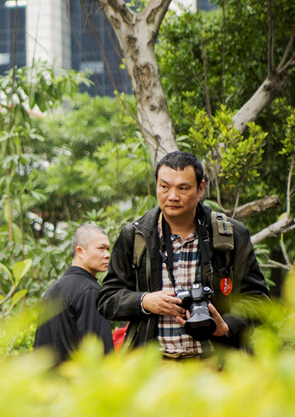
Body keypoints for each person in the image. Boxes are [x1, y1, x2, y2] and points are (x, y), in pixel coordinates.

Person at [97, 151, 269, 359]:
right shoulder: (135, 236)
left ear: (200, 188)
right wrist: (144, 301)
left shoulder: (231, 235)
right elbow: (107, 298)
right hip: (155, 368)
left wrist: (226, 326)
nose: (172, 196)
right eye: (164, 186)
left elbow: (259, 300)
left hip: (216, 366)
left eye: (183, 188)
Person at [32, 223, 115, 365]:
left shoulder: (52, 290)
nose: (107, 255)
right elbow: (100, 353)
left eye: (108, 249)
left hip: (48, 384)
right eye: (101, 248)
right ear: (80, 251)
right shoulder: (91, 292)